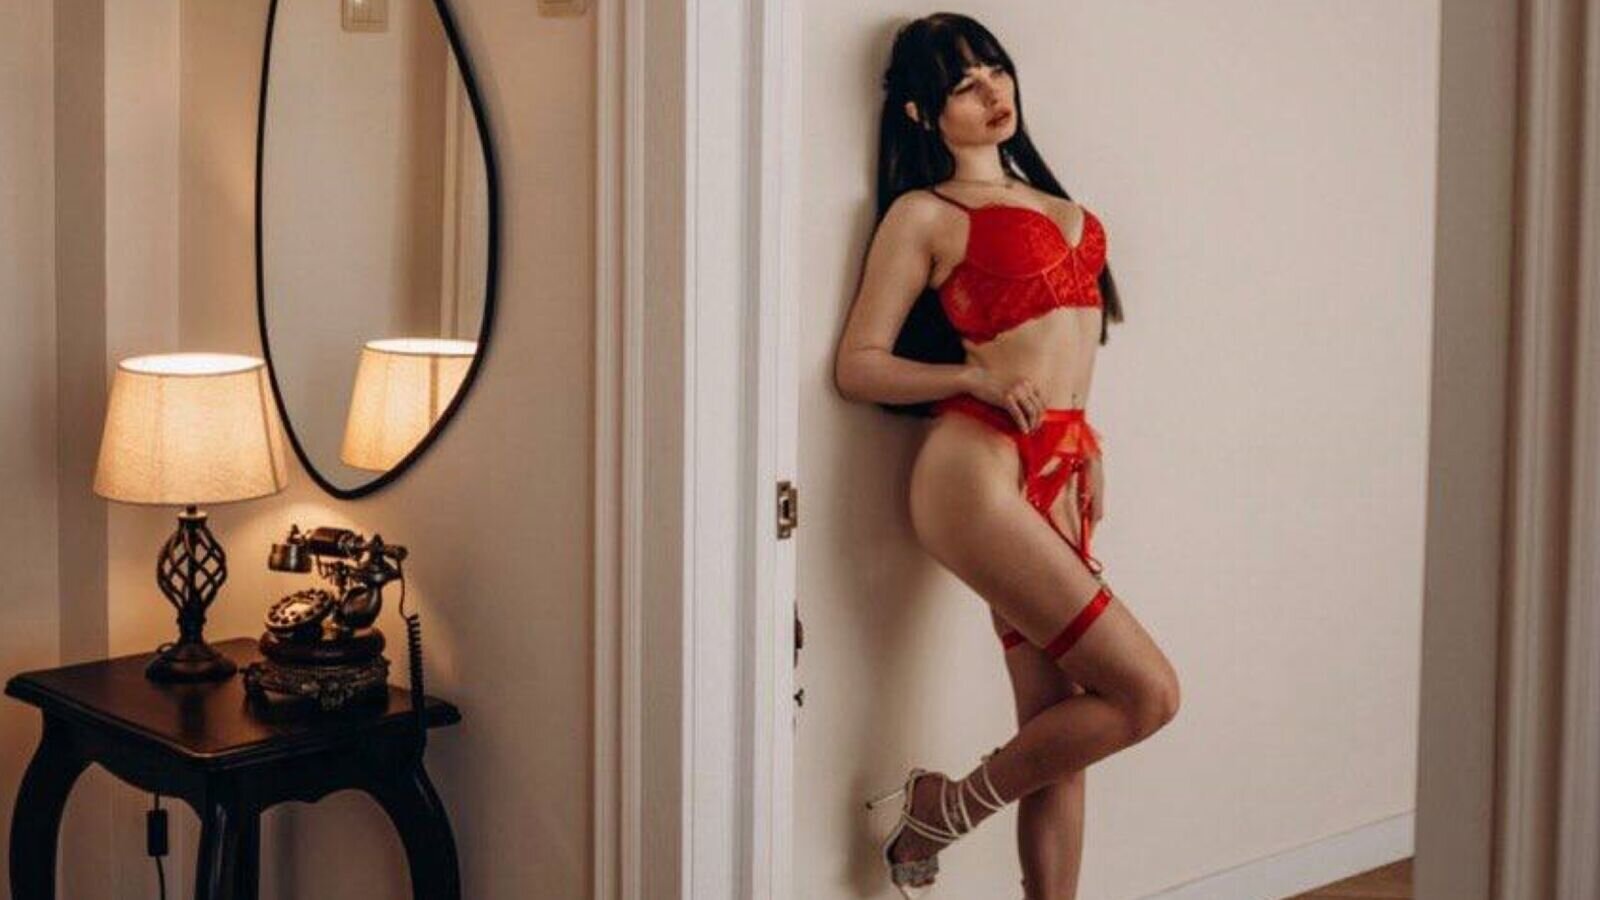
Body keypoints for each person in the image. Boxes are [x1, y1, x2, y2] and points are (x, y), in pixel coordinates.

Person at [834, 13, 1181, 899]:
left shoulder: (1061, 206)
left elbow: (1067, 354)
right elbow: (858, 365)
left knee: (1061, 726)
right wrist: (972, 378)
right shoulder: (925, 213)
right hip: (974, 473)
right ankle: (940, 810)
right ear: (921, 113)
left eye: (995, 69)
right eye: (963, 84)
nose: (993, 92)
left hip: (1057, 475)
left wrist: (1087, 441)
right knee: (1147, 694)